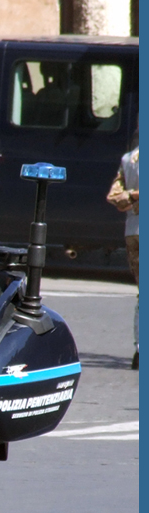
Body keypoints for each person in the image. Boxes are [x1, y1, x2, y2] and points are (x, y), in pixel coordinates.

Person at [106, 133, 139, 369]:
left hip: (134, 231)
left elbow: (115, 197)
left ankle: (139, 348)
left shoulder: (130, 159)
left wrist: (132, 197)